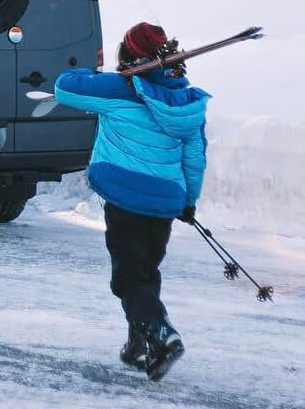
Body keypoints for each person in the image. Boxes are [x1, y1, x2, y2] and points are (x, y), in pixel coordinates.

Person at [53, 21, 210, 382]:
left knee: (127, 278)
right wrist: (188, 201)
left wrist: (97, 72)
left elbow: (64, 87)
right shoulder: (186, 100)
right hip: (165, 202)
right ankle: (140, 344)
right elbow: (195, 158)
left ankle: (160, 332)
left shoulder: (118, 89)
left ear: (128, 54)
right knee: (145, 272)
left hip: (125, 197)